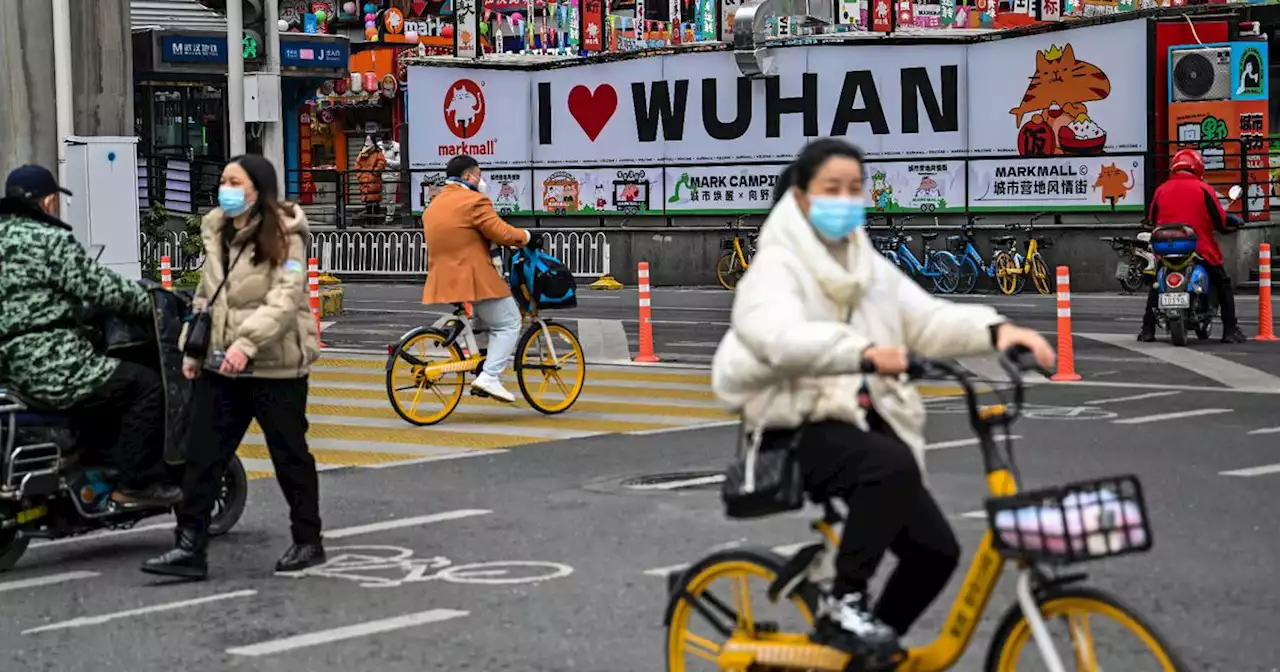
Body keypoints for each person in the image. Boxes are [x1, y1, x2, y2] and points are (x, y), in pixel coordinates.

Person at [712, 139, 1055, 666]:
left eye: (855, 188)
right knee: (889, 464)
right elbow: (776, 337)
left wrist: (999, 330)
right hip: (796, 425)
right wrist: (866, 353)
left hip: (864, 425)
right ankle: (843, 604)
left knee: (936, 554)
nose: (846, 201)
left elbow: (929, 318)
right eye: (832, 189)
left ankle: (866, 657)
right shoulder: (776, 268)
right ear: (801, 198)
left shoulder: (865, 268)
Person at [142, 155, 323, 580]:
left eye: (234, 181)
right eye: (223, 180)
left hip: (276, 365)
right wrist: (191, 350)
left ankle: (307, 539)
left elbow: (284, 298)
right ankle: (189, 547)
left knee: (290, 455)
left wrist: (246, 343)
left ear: (257, 188)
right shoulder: (218, 229)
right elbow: (208, 297)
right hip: (223, 364)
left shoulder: (287, 234)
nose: (225, 187)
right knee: (203, 455)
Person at [0, 165, 179, 507]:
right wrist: (156, 303)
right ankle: (136, 484)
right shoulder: (51, 240)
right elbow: (102, 289)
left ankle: (85, 458)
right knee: (143, 385)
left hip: (8, 366)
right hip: (50, 361)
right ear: (49, 201)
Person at [421, 154, 535, 403]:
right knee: (509, 323)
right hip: (473, 276)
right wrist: (527, 236)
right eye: (479, 176)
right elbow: (501, 232)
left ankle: (481, 363)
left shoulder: (435, 204)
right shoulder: (473, 201)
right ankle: (489, 377)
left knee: (485, 322)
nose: (481, 181)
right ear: (468, 176)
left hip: (442, 277)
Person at [1140, 148, 1246, 343]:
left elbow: (1152, 219)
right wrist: (1230, 222)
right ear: (1197, 167)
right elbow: (1220, 221)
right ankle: (1230, 330)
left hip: (1165, 250)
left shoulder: (1161, 190)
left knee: (1156, 285)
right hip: (1199, 249)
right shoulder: (1203, 189)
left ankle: (1147, 330)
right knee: (1223, 283)